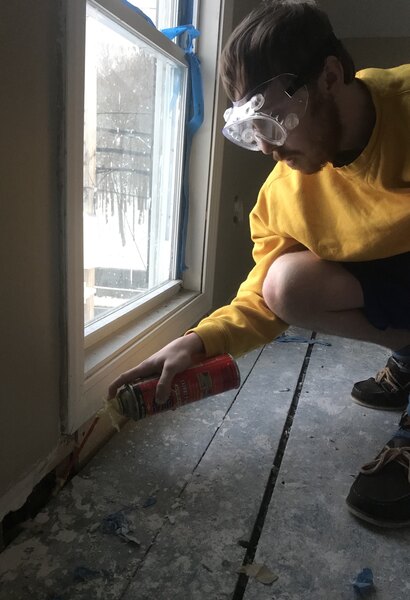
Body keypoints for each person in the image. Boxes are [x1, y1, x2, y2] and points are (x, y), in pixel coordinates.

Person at [109, 0, 410, 527]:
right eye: (253, 129)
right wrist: (198, 342)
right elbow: (261, 296)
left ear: (330, 77)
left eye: (275, 121)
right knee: (284, 284)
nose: (269, 148)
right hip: (393, 270)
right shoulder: (285, 194)